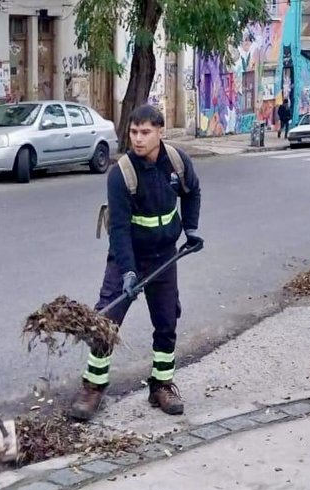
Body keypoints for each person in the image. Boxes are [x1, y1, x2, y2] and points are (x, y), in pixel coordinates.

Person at [71, 105, 202, 421]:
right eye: (133, 132)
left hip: (165, 255)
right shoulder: (121, 173)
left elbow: (192, 191)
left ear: (160, 131)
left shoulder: (177, 162)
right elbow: (118, 228)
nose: (138, 139)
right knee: (106, 321)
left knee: (166, 321)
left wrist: (192, 229)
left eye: (145, 132)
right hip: (127, 256)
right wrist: (128, 271)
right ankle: (94, 387)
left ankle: (162, 385)